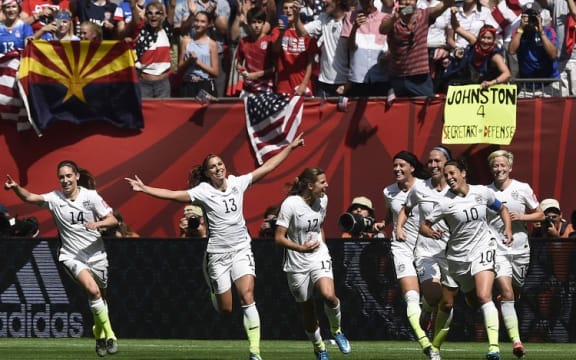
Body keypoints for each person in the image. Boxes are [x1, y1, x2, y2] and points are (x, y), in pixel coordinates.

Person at [125, 133, 305, 360]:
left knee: (247, 296)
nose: (218, 168)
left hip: (241, 248)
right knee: (226, 309)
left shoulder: (238, 183)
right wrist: (145, 189)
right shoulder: (203, 191)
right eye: (213, 167)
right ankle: (214, 290)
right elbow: (173, 195)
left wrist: (290, 147)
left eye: (220, 164)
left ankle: (255, 351)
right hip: (217, 255)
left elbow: (268, 167)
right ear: (208, 173)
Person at [4, 161, 120, 357]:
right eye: (61, 177)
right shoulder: (54, 198)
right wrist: (16, 188)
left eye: (68, 176)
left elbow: (113, 220)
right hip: (71, 255)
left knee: (101, 296)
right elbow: (31, 197)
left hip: (96, 253)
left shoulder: (90, 197)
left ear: (76, 176)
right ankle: (110, 335)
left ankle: (99, 333)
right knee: (92, 290)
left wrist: (97, 224)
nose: (65, 180)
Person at [420, 158, 512, 360]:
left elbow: (502, 209)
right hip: (457, 257)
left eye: (452, 173)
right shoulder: (445, 202)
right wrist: (431, 233)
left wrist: (507, 228)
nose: (449, 178)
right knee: (448, 304)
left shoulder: (482, 192)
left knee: (484, 296)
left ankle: (494, 348)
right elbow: (424, 225)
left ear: (463, 173)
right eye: (446, 175)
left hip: (483, 248)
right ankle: (435, 347)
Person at [274, 167, 351, 360]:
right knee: (307, 308)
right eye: (322, 182)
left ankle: (337, 331)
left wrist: (320, 247)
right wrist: (301, 249)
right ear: (310, 185)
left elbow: (318, 227)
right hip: (296, 262)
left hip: (318, 255)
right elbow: (278, 238)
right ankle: (319, 347)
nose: (326, 185)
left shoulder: (323, 200)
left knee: (329, 295)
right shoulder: (290, 204)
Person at [397, 145, 459, 360]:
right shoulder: (420, 188)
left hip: (452, 254)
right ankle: (425, 310)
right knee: (433, 296)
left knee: (448, 304)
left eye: (438, 161)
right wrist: (399, 227)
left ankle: (435, 346)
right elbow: (405, 209)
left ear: (447, 164)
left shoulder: (458, 191)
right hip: (426, 252)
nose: (433, 165)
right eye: (430, 161)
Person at [486, 149, 544, 359]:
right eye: (495, 165)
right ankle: (517, 342)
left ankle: (508, 297)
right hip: (497, 249)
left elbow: (541, 214)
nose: (499, 169)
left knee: (515, 290)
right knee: (507, 292)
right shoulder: (486, 192)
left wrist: (521, 216)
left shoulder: (522, 188)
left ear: (509, 167)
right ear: (491, 168)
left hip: (520, 248)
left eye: (503, 165)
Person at [383, 151, 433, 356]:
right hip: (401, 246)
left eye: (401, 165)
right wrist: (383, 223)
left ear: (412, 167)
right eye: (395, 165)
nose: (397, 169)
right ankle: (425, 342)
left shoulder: (426, 187)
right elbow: (390, 214)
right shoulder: (389, 191)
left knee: (432, 297)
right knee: (411, 297)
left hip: (427, 247)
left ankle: (427, 313)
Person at [379, 0, 454, 98]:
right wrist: (395, 17)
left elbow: (440, 8)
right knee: (399, 110)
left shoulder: (423, 15)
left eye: (411, 0)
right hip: (398, 76)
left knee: (427, 107)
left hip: (420, 77)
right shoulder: (390, 18)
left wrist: (446, 4)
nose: (408, 2)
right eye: (404, 0)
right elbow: (382, 30)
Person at [508, 2, 560, 97]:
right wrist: (521, 29)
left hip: (548, 84)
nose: (531, 19)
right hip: (527, 85)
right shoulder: (518, 32)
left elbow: (553, 54)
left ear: (540, 17)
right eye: (527, 16)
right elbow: (511, 51)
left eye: (534, 16)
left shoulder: (548, 31)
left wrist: (541, 32)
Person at [128, 0, 176, 98]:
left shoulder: (166, 30)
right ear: (146, 16)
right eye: (150, 13)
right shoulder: (140, 30)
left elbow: (172, 5)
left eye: (157, 13)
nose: (153, 15)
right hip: (144, 83)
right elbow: (133, 7)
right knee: (145, 113)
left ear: (162, 16)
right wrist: (133, 4)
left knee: (163, 113)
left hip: (163, 84)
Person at [270, 0, 318, 96]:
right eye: (285, 8)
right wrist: (282, 33)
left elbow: (311, 61)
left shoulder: (306, 30)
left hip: (303, 84)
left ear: (297, 10)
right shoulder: (276, 30)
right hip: (284, 85)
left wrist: (304, 85)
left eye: (292, 8)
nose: (288, 11)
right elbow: (275, 49)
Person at [443, 22, 511, 89]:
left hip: (489, 87)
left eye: (489, 38)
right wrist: (453, 14)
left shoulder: (495, 56)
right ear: (479, 37)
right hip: (470, 82)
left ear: (493, 40)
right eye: (483, 37)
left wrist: (491, 83)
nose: (485, 41)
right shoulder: (474, 42)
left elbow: (507, 74)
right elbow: (456, 27)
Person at [178, 11, 219, 98]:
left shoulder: (212, 44)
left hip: (205, 85)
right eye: (196, 20)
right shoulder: (186, 41)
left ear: (208, 24)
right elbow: (180, 68)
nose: (198, 24)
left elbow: (215, 72)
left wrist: (198, 63)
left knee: (205, 111)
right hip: (188, 85)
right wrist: (189, 61)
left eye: (203, 21)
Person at [235, 6, 275, 94]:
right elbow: (238, 64)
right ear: (248, 24)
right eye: (253, 22)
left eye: (259, 22)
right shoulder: (243, 42)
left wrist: (257, 75)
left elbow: (275, 68)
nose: (256, 25)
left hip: (267, 88)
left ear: (264, 23)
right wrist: (241, 70)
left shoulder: (270, 41)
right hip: (248, 88)